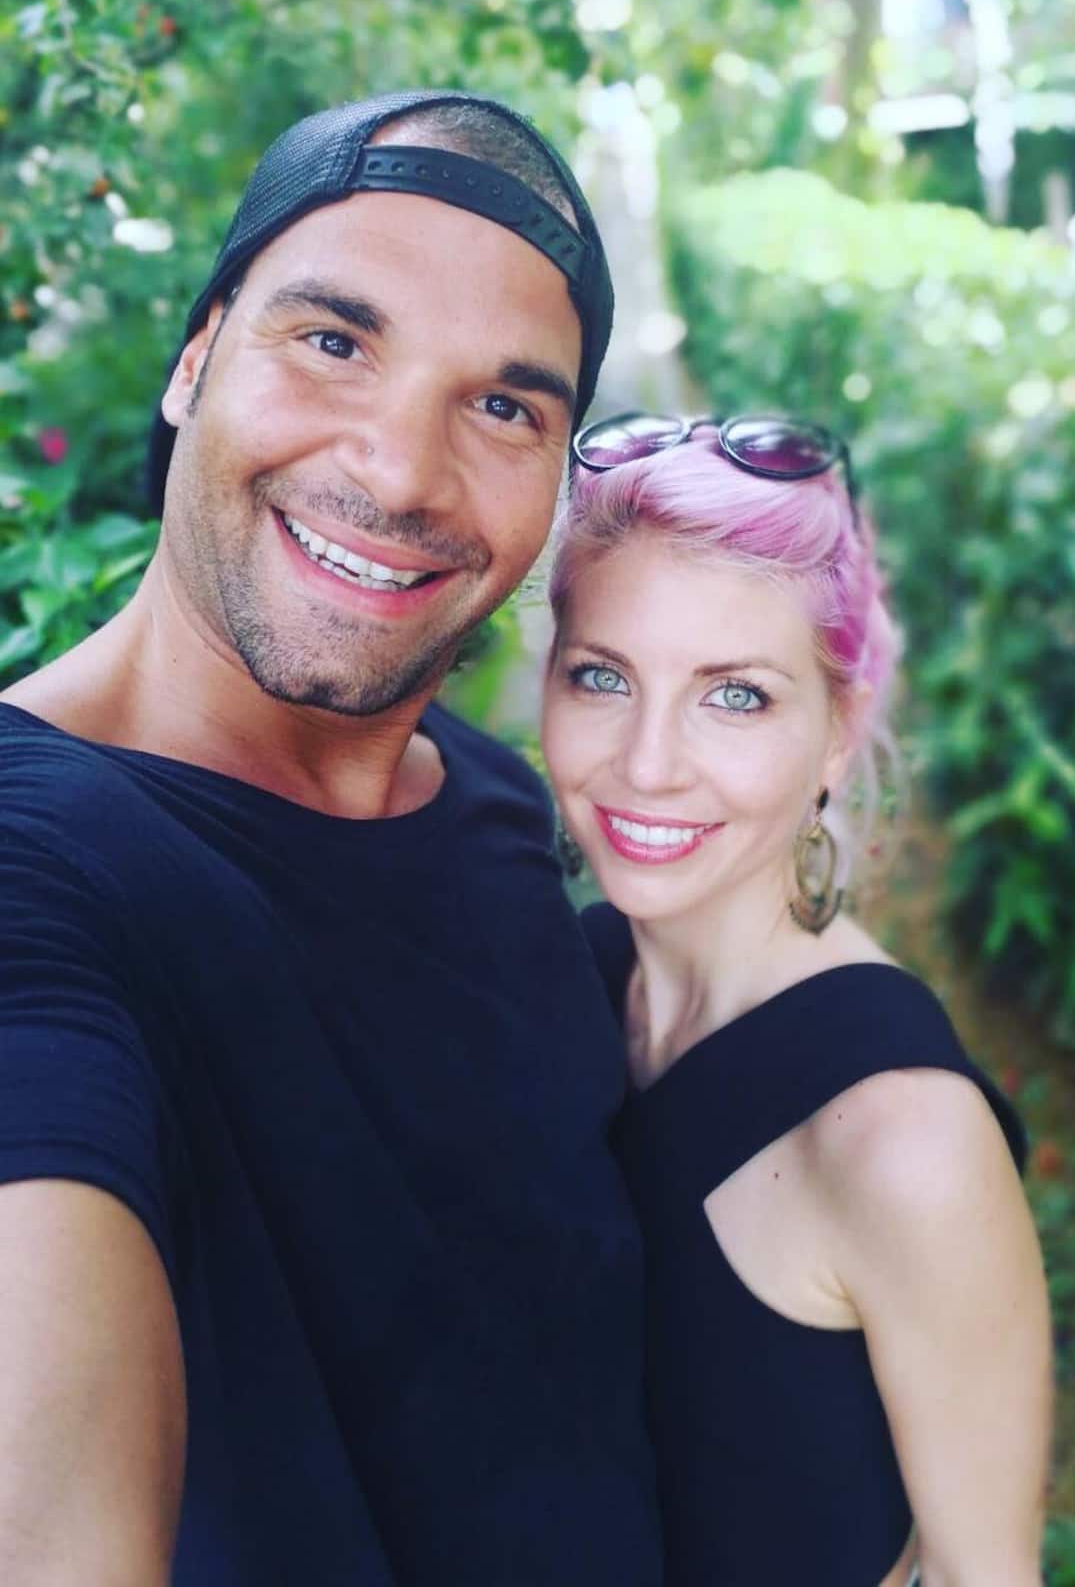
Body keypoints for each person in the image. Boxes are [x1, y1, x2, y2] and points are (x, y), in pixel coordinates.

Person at [0, 93, 663, 1586]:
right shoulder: (38, 878)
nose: (403, 472)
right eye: (334, 341)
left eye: (505, 408)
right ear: (195, 360)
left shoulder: (494, 806)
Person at [541, 413, 1053, 1587]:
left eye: (735, 696)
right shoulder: (563, 978)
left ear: (838, 732)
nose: (648, 764)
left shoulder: (902, 1144)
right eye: (603, 677)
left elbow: (984, 1573)